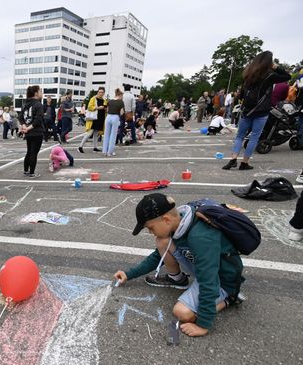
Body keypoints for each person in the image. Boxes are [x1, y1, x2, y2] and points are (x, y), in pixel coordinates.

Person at [113, 193, 244, 338]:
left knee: (182, 313)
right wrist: (129, 274)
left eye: (150, 227)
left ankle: (229, 299)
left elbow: (209, 280)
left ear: (166, 219)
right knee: (162, 241)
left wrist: (203, 324)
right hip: (205, 268)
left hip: (223, 279)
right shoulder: (179, 223)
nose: (150, 232)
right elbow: (158, 256)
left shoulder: (201, 237)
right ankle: (176, 279)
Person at [222, 51, 291, 170]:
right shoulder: (270, 75)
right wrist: (276, 67)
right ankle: (244, 163)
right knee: (254, 137)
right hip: (261, 111)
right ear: (269, 62)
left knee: (240, 136)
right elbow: (287, 76)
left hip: (247, 110)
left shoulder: (248, 74)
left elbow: (242, 94)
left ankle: (233, 159)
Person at [19, 85, 46, 178]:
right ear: (36, 93)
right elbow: (38, 120)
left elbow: (21, 117)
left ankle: (26, 170)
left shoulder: (25, 104)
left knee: (29, 151)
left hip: (28, 132)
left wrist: (24, 127)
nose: (41, 93)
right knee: (34, 152)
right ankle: (32, 173)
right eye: (40, 91)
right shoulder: (38, 105)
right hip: (36, 132)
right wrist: (28, 128)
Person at [78, 87, 106, 153]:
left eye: (102, 92)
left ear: (104, 93)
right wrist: (98, 108)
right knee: (89, 133)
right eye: (99, 92)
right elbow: (89, 107)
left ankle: (95, 147)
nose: (101, 93)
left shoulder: (104, 100)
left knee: (96, 134)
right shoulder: (93, 98)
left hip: (100, 118)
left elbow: (105, 108)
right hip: (93, 119)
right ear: (97, 92)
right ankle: (80, 147)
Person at [102, 88, 124, 156]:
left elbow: (107, 110)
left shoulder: (110, 101)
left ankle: (104, 151)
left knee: (106, 134)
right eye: (122, 96)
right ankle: (110, 152)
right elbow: (121, 112)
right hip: (115, 117)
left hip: (108, 117)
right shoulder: (121, 102)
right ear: (120, 95)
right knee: (113, 135)